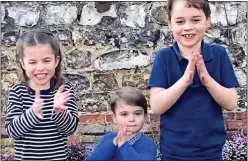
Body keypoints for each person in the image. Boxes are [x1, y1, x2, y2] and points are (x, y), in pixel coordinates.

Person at [148, 0, 239, 160]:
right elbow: (156, 106)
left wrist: (207, 80)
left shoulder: (219, 54)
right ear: (170, 23)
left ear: (207, 21)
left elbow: (231, 103)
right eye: (180, 21)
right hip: (173, 152)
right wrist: (184, 81)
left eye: (195, 20)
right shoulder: (164, 57)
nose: (188, 27)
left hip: (211, 151)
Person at [4, 29, 79, 161]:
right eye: (33, 62)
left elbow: (70, 130)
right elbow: (12, 131)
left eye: (46, 61)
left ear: (56, 61)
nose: (40, 68)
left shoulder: (64, 90)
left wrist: (59, 112)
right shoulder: (17, 93)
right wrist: (32, 113)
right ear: (23, 64)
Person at [86, 87, 157, 160]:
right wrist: (114, 142)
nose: (131, 119)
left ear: (145, 116)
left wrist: (123, 145)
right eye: (124, 114)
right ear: (115, 118)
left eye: (137, 113)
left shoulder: (148, 144)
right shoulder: (107, 139)